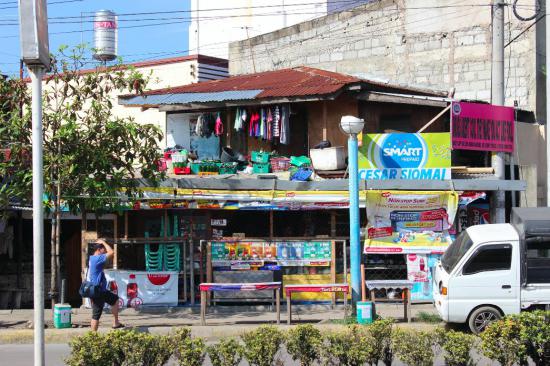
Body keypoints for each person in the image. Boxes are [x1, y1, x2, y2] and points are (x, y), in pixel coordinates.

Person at [88, 239, 123, 331]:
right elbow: (111, 252)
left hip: (101, 290)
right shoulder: (97, 258)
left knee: (115, 299)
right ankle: (92, 336)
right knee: (96, 315)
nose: (105, 250)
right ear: (99, 249)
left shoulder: (92, 258)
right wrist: (103, 242)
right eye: (103, 249)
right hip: (97, 290)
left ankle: (116, 322)